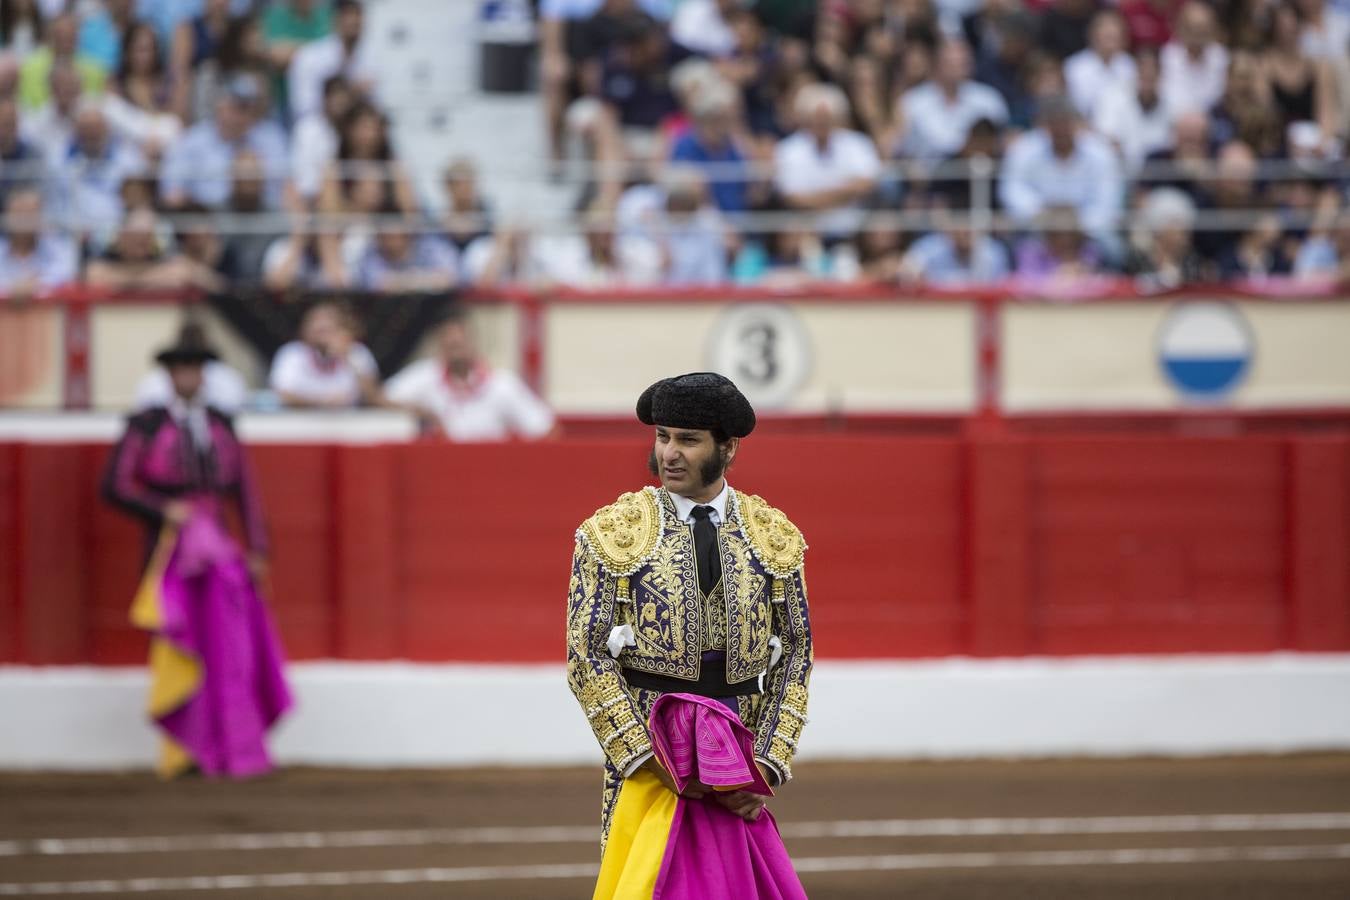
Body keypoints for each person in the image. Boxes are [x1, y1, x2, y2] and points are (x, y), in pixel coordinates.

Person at [566, 372, 813, 883]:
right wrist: (644, 756)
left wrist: (765, 764)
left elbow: (795, 655)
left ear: (729, 448)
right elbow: (586, 655)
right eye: (663, 436)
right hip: (649, 760)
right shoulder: (611, 532)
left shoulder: (775, 536)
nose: (669, 454)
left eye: (688, 440)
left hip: (739, 763)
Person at [101, 328, 292, 779]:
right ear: (170, 375)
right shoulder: (146, 424)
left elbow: (245, 490)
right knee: (179, 642)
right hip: (167, 550)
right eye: (182, 368)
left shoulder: (222, 424)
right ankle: (183, 751)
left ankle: (229, 745)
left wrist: (259, 549)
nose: (190, 375)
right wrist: (164, 509)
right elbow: (115, 486)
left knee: (228, 646)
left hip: (219, 549)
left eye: (196, 368)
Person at [384, 309, 556, 441]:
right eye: (450, 343)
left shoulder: (501, 384)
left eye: (460, 342)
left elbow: (545, 429)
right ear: (440, 344)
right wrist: (423, 413)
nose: (455, 347)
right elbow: (379, 399)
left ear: (473, 341)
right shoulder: (425, 376)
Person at [269, 300, 382, 409]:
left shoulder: (357, 352)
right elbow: (282, 395)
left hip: (350, 422)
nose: (322, 335)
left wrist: (348, 358)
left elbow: (373, 398)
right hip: (300, 421)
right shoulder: (292, 353)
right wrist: (322, 402)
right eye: (318, 329)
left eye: (328, 328)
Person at [133, 320, 248, 414]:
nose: (187, 378)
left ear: (202, 375)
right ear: (171, 376)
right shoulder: (153, 383)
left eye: (195, 370)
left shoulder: (225, 378)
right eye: (182, 372)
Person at [0, 185, 78, 296]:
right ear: (6, 215)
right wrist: (14, 288)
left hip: (48, 311)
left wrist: (35, 286)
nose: (24, 219)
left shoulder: (61, 249)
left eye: (30, 213)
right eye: (18, 212)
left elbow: (67, 274)